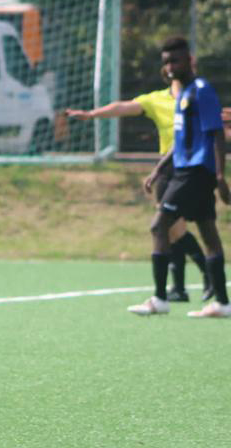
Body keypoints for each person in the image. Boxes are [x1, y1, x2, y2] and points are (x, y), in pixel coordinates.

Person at [67, 72, 211, 302]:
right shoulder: (156, 100)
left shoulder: (197, 97)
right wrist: (92, 114)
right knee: (172, 230)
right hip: (166, 167)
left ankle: (206, 275)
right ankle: (181, 288)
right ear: (167, 74)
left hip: (189, 167)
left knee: (171, 226)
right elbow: (123, 107)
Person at [127, 36, 230, 318]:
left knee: (159, 226)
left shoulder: (201, 90)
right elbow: (180, 139)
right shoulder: (183, 95)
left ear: (190, 61)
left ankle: (160, 299)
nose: (170, 66)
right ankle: (222, 302)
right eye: (166, 62)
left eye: (175, 60)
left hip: (195, 172)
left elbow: (217, 132)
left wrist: (221, 176)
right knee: (208, 233)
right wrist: (159, 169)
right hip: (184, 171)